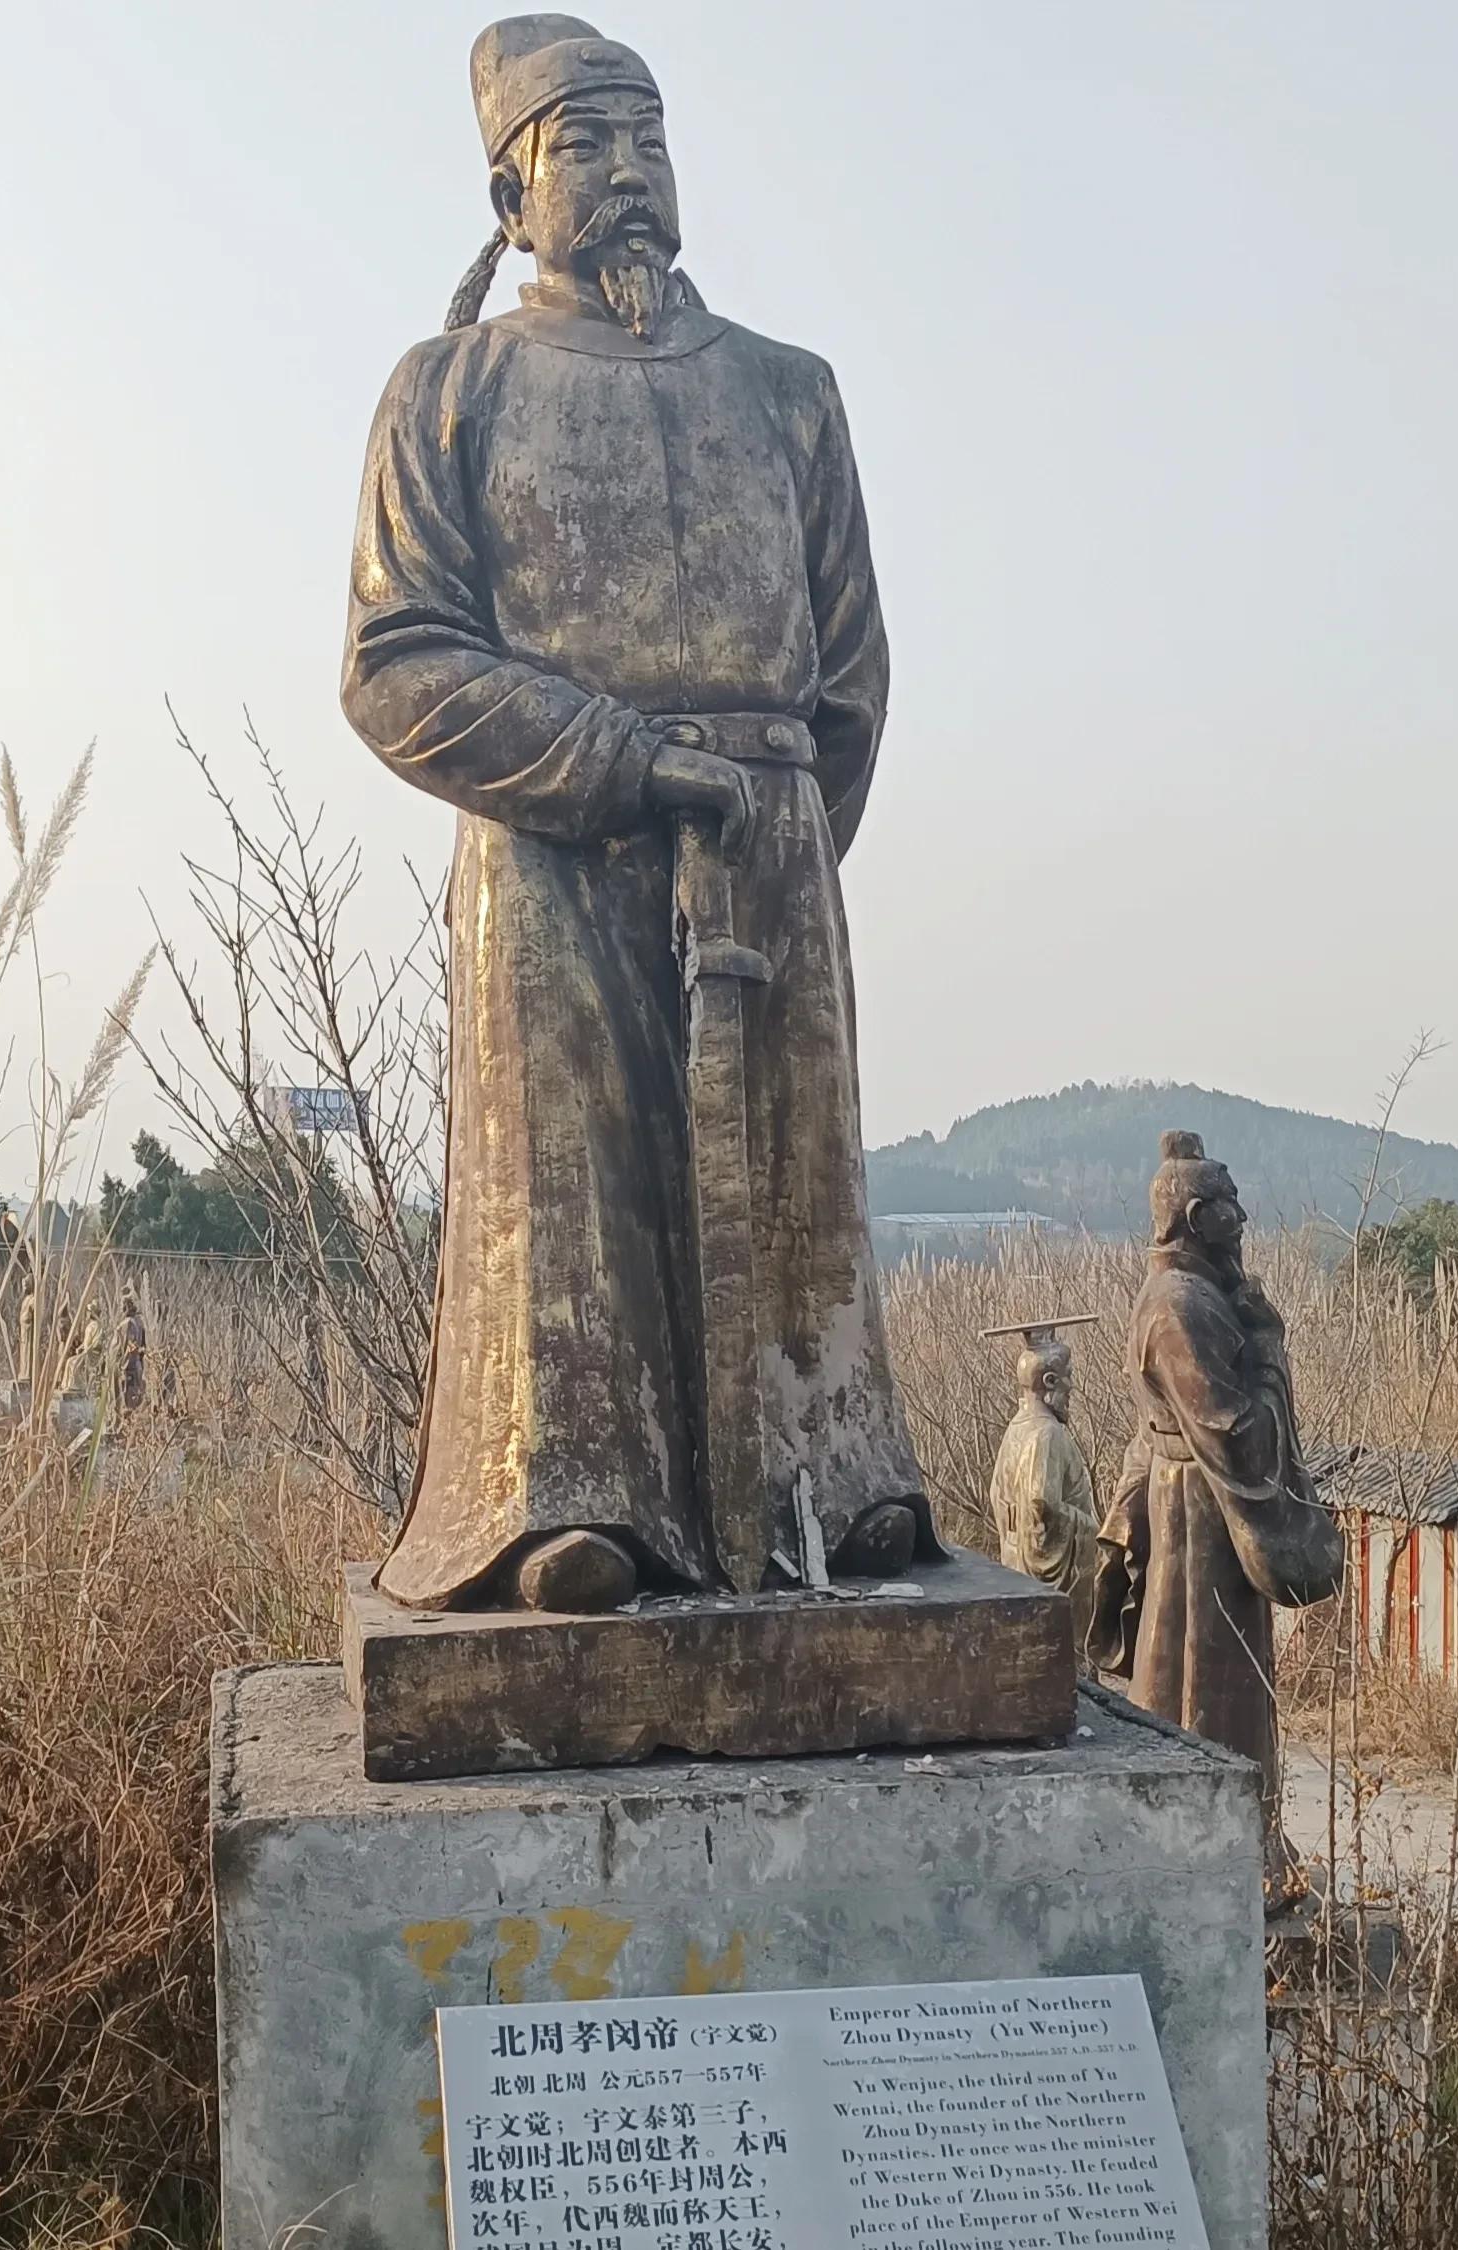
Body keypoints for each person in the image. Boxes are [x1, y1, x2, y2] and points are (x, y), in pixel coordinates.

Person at [342, 15, 928, 1612]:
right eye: (583, 148)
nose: (626, 179)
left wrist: (775, 834)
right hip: (548, 852)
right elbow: (397, 663)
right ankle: (565, 1495)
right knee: (571, 1183)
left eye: (647, 144)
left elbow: (853, 675)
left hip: (763, 848)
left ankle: (832, 1466)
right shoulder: (449, 390)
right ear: (510, 194)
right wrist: (614, 769)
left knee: (796, 1172)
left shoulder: (791, 394)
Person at [1089, 1134, 1343, 1891]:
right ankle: (1211, 1851)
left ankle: (1235, 1842)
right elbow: (1235, 1434)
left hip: (1204, 1513)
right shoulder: (1179, 1307)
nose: (1244, 1218)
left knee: (1216, 1678)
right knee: (1206, 1681)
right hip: (1201, 1516)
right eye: (1231, 1206)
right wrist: (1267, 1348)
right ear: (1199, 1217)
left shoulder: (1198, 1296)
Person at [986, 1328, 1098, 1647]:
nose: (1072, 1386)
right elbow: (1042, 1506)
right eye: (1068, 1377)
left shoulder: (1016, 1428)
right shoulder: (1046, 1434)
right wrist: (1090, 1529)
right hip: (1041, 1575)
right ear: (1049, 1382)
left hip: (1015, 1565)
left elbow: (998, 1495)